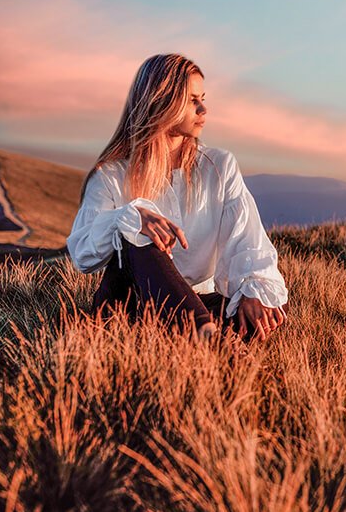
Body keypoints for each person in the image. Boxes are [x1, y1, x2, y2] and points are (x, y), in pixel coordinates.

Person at [66, 53, 288, 342]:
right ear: (161, 100)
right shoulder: (111, 175)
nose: (203, 109)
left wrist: (253, 291)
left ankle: (194, 333)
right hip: (131, 306)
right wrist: (130, 217)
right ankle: (204, 336)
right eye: (192, 100)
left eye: (203, 98)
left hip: (196, 301)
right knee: (133, 230)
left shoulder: (218, 167)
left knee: (267, 308)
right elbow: (82, 254)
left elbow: (248, 238)